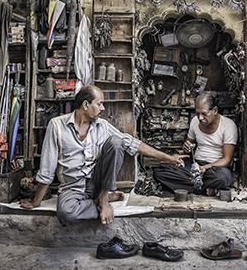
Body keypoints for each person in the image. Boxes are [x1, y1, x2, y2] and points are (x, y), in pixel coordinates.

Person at [20, 85, 187, 225]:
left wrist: (168, 158)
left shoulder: (103, 126)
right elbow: (47, 168)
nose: (103, 108)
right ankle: (98, 202)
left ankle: (104, 198)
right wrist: (36, 201)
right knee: (66, 214)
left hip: (98, 184)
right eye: (99, 104)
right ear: (86, 105)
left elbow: (133, 143)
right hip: (73, 187)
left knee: (117, 142)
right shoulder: (56, 125)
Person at [153, 93, 238, 196]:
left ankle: (194, 186)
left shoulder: (228, 126)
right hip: (195, 165)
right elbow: (188, 145)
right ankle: (205, 189)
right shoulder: (194, 122)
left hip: (214, 168)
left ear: (215, 110)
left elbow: (227, 160)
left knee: (224, 177)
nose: (200, 118)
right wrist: (187, 147)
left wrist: (205, 168)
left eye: (204, 114)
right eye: (197, 113)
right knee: (160, 172)